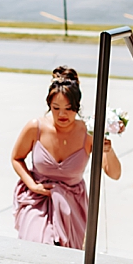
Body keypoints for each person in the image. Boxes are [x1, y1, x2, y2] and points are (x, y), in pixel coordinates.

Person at [11, 67, 121, 249]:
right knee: (38, 244)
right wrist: (32, 185)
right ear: (49, 105)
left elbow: (115, 174)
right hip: (38, 200)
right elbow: (16, 158)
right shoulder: (35, 127)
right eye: (56, 108)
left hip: (72, 205)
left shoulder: (88, 132)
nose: (62, 114)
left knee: (67, 257)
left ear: (77, 106)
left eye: (69, 109)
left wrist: (108, 151)